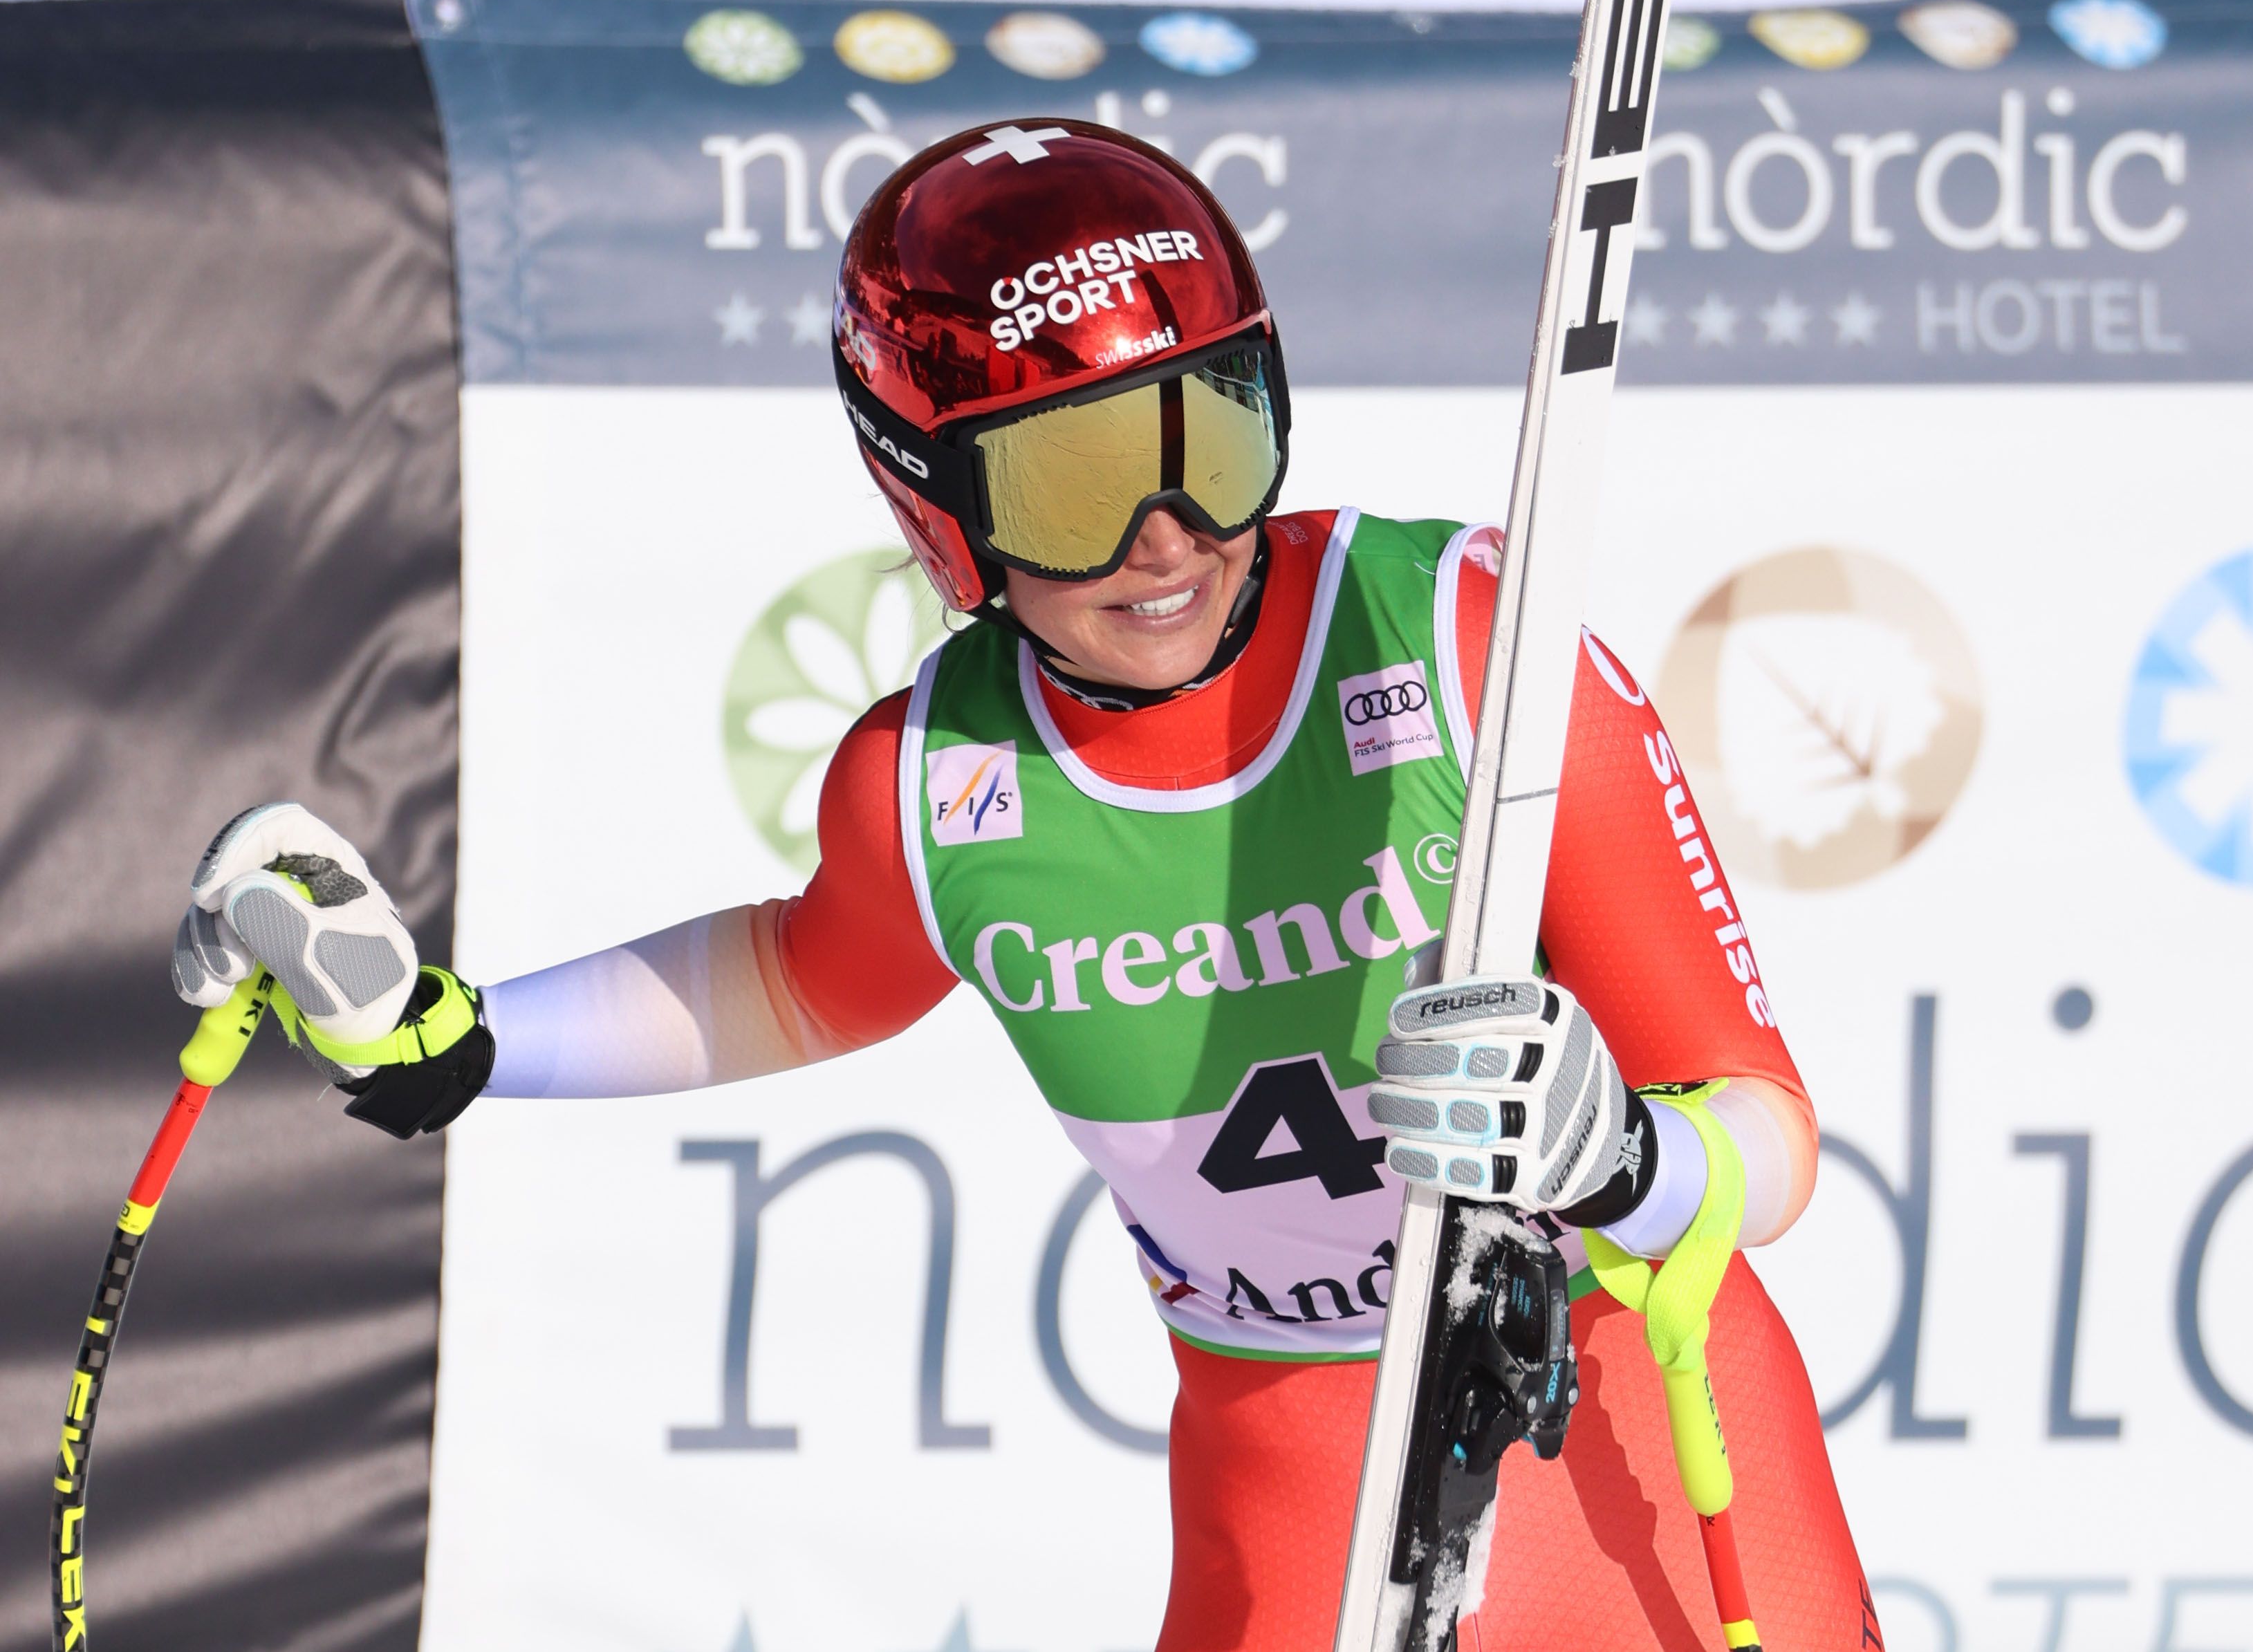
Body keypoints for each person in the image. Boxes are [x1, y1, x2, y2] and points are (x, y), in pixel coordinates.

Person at [170, 122, 1875, 1651]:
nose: (1167, 537)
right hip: (1293, 1483)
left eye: (1212, 433)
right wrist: (455, 1038)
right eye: (1069, 479)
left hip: (1633, 1424)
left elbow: (1771, 1142)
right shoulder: (928, 789)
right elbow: (787, 982)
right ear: (939, 509)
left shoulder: (1459, 641)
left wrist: (1630, 1151)